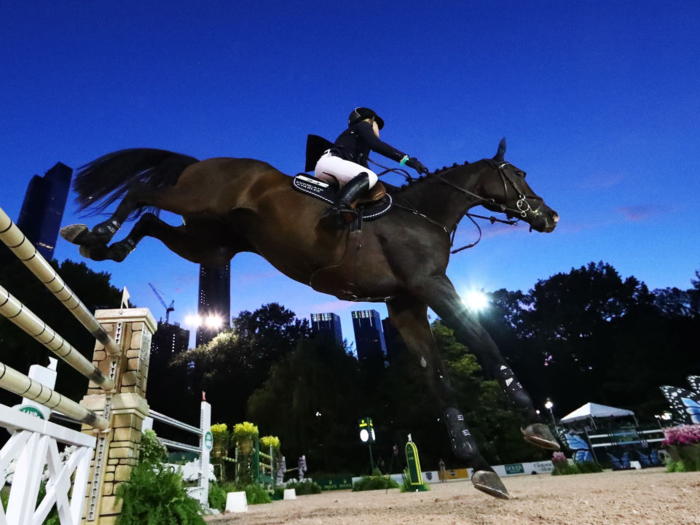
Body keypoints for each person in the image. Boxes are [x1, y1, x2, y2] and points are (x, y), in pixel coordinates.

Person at [315, 107, 429, 226]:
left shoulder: (358, 148)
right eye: (377, 125)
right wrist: (407, 160)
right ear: (370, 121)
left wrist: (400, 191)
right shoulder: (362, 125)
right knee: (370, 176)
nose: (378, 130)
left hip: (333, 169)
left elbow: (375, 183)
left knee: (370, 180)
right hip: (330, 163)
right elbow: (377, 145)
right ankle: (338, 209)